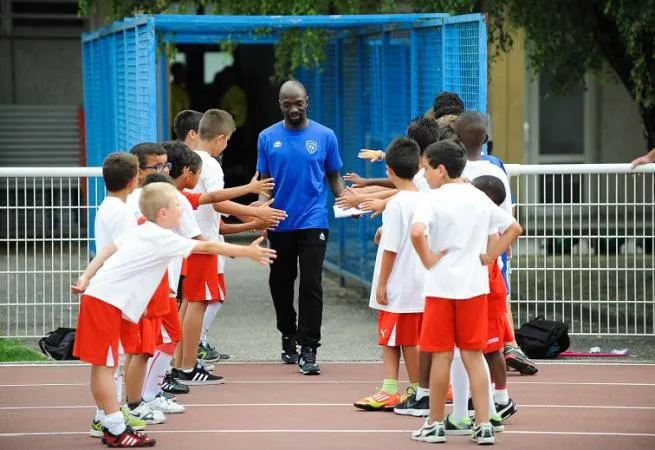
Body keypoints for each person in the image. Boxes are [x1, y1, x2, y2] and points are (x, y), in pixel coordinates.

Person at [72, 182, 276, 448]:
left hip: (103, 299)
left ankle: (109, 421)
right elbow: (207, 248)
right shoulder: (161, 236)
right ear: (163, 213)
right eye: (177, 205)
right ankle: (114, 427)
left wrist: (87, 276)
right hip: (105, 303)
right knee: (105, 367)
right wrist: (246, 251)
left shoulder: (143, 229)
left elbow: (109, 248)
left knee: (104, 366)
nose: (183, 208)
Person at [409, 139, 522, 445]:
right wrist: (491, 255)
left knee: (442, 355)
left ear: (441, 170)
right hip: (474, 287)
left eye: (427, 168)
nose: (425, 173)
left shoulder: (432, 199)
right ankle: (483, 423)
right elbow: (514, 228)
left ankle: (434, 424)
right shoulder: (479, 198)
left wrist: (428, 258)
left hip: (440, 288)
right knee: (474, 356)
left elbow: (417, 232)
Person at [178, 109, 286, 381]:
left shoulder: (192, 160)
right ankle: (187, 366)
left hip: (193, 241)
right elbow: (216, 200)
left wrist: (250, 217)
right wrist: (255, 213)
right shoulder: (210, 164)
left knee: (188, 304)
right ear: (222, 138)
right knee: (197, 304)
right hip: (204, 244)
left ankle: (180, 363)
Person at [256, 80, 345, 375]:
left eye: (298, 103)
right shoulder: (267, 137)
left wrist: (348, 202)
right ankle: (287, 332)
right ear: (280, 104)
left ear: (307, 101)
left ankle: (309, 347)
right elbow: (264, 184)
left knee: (311, 283)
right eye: (287, 104)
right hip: (280, 221)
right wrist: (261, 212)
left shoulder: (325, 136)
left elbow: (334, 177)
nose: (293, 109)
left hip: (313, 220)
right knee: (280, 283)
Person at [353, 138, 425, 411]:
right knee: (403, 338)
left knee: (399, 339)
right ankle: (398, 387)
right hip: (417, 280)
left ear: (389, 171)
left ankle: (409, 389)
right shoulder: (424, 200)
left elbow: (392, 249)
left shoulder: (396, 204)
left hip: (398, 282)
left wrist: (382, 283)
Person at [88, 152, 148, 438]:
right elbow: (128, 254)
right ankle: (111, 422)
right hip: (114, 294)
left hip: (108, 290)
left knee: (107, 362)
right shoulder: (123, 213)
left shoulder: (107, 207)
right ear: (134, 180)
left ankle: (106, 415)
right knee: (109, 363)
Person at [170, 63, 190, 138]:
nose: (183, 75)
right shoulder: (169, 90)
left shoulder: (183, 91)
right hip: (174, 128)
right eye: (180, 72)